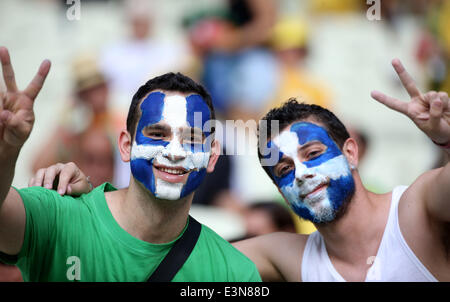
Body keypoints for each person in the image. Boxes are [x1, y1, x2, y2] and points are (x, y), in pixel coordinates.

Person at [45, 58, 450, 281]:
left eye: (312, 153)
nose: (304, 174)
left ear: (350, 150)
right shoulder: (284, 256)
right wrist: (94, 197)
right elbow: (168, 247)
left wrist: (446, 141)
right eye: (285, 170)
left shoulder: (417, 208)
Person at [0, 47, 260, 282]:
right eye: (158, 134)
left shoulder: (234, 274)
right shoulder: (57, 217)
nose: (174, 152)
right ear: (126, 145)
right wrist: (6, 149)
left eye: (191, 139)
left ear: (212, 155)